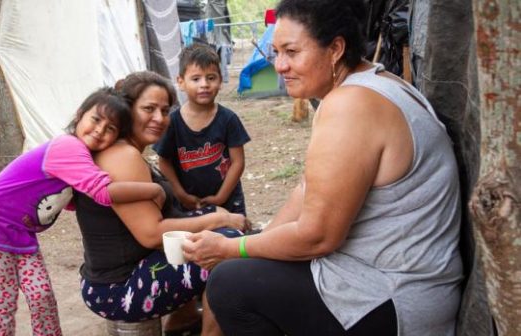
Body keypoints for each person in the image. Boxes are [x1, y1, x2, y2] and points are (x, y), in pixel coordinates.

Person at [182, 1, 464, 335]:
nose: (280, 65)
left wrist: (232, 248)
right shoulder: (369, 83)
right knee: (245, 265)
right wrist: (255, 246)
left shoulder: (351, 105)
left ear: (335, 49)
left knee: (229, 285)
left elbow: (317, 237)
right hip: (397, 282)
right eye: (276, 52)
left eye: (292, 51)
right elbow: (306, 191)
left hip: (395, 298)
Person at [0, 87, 167, 336]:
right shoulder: (67, 146)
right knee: (1, 302)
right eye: (96, 119)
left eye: (111, 128)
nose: (100, 130)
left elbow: (70, 200)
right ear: (79, 116)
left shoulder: (83, 157)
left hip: (19, 232)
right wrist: (152, 190)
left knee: (41, 295)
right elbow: (102, 192)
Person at [73, 71, 247, 334]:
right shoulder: (122, 156)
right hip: (119, 288)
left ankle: (184, 319)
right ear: (127, 110)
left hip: (126, 272)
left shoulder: (127, 151)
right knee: (228, 248)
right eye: (148, 109)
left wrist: (214, 215)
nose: (159, 118)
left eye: (165, 111)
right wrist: (221, 220)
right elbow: (152, 234)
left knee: (211, 219)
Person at [154, 43, 251, 215]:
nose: (204, 84)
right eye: (196, 78)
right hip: (187, 204)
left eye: (211, 78)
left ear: (220, 81)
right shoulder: (172, 123)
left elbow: (238, 162)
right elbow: (164, 162)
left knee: (233, 237)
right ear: (181, 82)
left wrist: (220, 197)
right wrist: (180, 194)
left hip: (228, 201)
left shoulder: (228, 119)